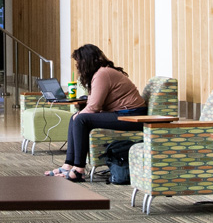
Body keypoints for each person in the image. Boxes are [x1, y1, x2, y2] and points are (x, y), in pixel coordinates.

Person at [45, 44, 147, 181]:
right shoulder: (100, 73)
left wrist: (80, 115)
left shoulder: (103, 73)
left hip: (132, 116)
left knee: (80, 119)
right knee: (75, 118)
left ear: (86, 61)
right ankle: (68, 165)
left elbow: (94, 107)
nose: (77, 66)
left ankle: (79, 169)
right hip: (123, 113)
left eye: (78, 62)